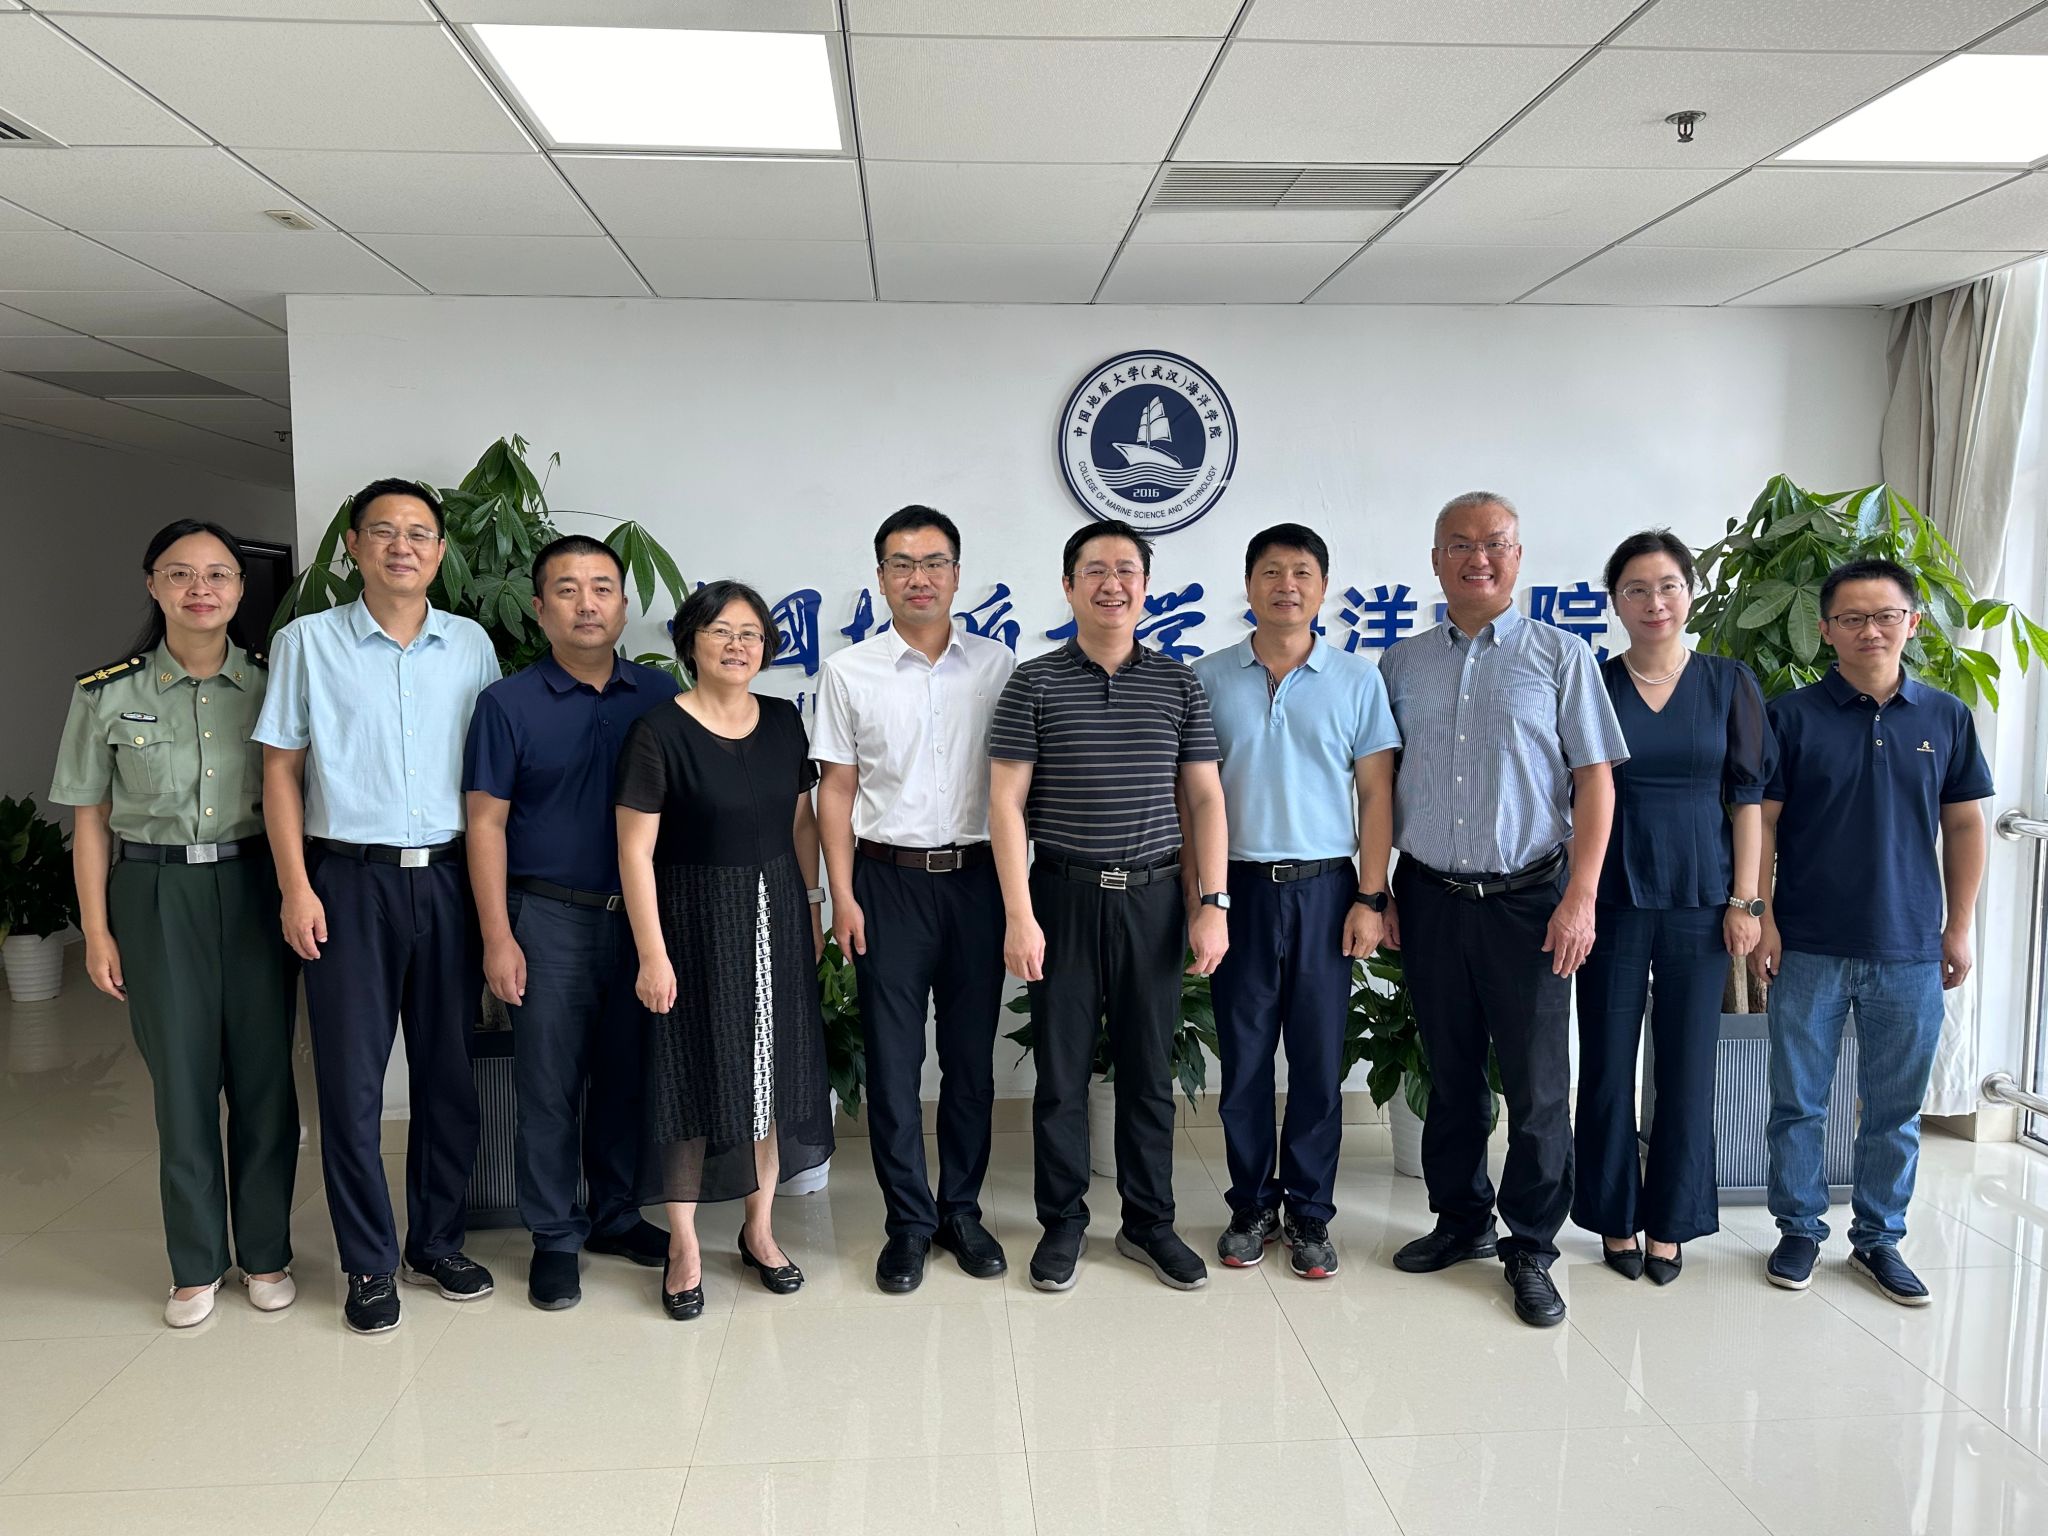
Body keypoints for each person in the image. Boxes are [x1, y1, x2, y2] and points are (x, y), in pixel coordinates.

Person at [255, 477, 502, 1335]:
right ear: (355, 546)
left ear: (440, 552)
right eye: (385, 531)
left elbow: (491, 784)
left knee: (448, 1075)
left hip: (450, 880)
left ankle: (436, 1242)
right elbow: (280, 771)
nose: (403, 546)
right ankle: (368, 1261)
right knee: (352, 1083)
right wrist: (296, 886)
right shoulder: (307, 642)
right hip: (347, 883)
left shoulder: (471, 645)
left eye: (420, 533)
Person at [1378, 491, 1628, 1328]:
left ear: (1518, 557)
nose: (1476, 558)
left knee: (1537, 1085)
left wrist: (1581, 897)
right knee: (1449, 1075)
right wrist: (1380, 889)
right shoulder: (1402, 663)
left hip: (1530, 900)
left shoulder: (1562, 655)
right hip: (1430, 895)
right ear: (1435, 559)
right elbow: (1379, 784)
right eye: (1458, 544)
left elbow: (1595, 782)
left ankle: (1531, 1245)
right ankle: (1461, 1221)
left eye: (1494, 544)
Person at [49, 520, 300, 1328]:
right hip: (154, 892)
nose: (201, 589)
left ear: (240, 589)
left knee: (265, 1080)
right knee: (182, 1083)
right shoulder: (105, 694)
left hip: (256, 884)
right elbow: (90, 820)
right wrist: (96, 931)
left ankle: (266, 1254)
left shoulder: (273, 685)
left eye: (219, 574)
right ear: (152, 585)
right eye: (181, 573)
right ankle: (195, 1265)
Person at [989, 519, 1231, 1293]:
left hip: (1154, 900)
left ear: (1145, 587)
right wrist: (1020, 913)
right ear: (1068, 586)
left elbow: (1205, 798)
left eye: (1126, 569)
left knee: (1148, 1071)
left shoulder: (1177, 683)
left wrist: (1213, 903)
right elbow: (1005, 804)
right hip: (1062, 895)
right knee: (1061, 1075)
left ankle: (1148, 1222)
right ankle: (1062, 1222)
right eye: (1095, 570)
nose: (1112, 583)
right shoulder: (1034, 682)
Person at [1754, 557, 1991, 1306]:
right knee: (1798, 1102)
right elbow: (1762, 823)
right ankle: (1798, 1229)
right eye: (1851, 618)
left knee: (1894, 1109)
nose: (1870, 631)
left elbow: (1965, 825)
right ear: (1825, 631)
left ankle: (1879, 1239)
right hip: (1808, 943)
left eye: (1885, 616)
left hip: (1910, 945)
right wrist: (1762, 917)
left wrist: (1959, 927)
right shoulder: (1790, 716)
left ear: (1912, 623)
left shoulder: (1946, 716)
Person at [462, 534, 681, 1310]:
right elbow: (485, 824)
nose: (587, 604)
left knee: (627, 1076)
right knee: (548, 1086)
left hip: (642, 921)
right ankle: (555, 1235)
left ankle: (615, 1216)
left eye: (602, 588)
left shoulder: (660, 696)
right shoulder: (507, 704)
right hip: (547, 917)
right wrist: (498, 935)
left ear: (623, 605)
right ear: (538, 607)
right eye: (567, 589)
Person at [615, 581, 834, 1320]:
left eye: (750, 633)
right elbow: (635, 851)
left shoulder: (783, 721)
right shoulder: (657, 731)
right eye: (720, 631)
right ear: (691, 643)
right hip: (691, 919)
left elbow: (802, 824)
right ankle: (684, 1246)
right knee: (689, 1077)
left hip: (776, 915)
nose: (737, 645)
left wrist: (812, 906)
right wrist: (652, 953)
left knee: (768, 1075)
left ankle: (759, 1230)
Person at [813, 506, 1016, 1294]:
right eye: (902, 564)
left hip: (976, 882)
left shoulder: (999, 667)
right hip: (885, 883)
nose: (918, 577)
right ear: (881, 578)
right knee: (895, 1064)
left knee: (969, 1061)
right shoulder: (848, 672)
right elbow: (836, 791)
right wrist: (840, 895)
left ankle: (960, 1211)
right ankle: (907, 1222)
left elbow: (1018, 790)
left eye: (934, 563)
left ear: (957, 575)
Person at [1193, 523, 1400, 1280]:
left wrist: (1371, 895)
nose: (1287, 585)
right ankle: (1251, 1205)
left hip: (1326, 890)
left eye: (1302, 572)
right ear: (1249, 585)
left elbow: (1376, 794)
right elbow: (1194, 799)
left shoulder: (1357, 679)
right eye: (1272, 571)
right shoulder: (1208, 677)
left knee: (1317, 1061)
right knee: (1245, 1060)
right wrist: (1203, 898)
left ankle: (1310, 1214)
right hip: (1238, 890)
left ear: (1323, 587)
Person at [1574, 531, 1773, 1286]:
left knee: (1689, 1069)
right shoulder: (1595, 682)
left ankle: (1672, 1224)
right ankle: (1612, 1216)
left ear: (1690, 592)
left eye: (1667, 586)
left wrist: (1746, 900)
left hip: (1702, 901)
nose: (1653, 602)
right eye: (1635, 589)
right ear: (1615, 601)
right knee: (1605, 1065)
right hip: (1612, 898)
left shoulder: (1728, 682)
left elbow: (1747, 800)